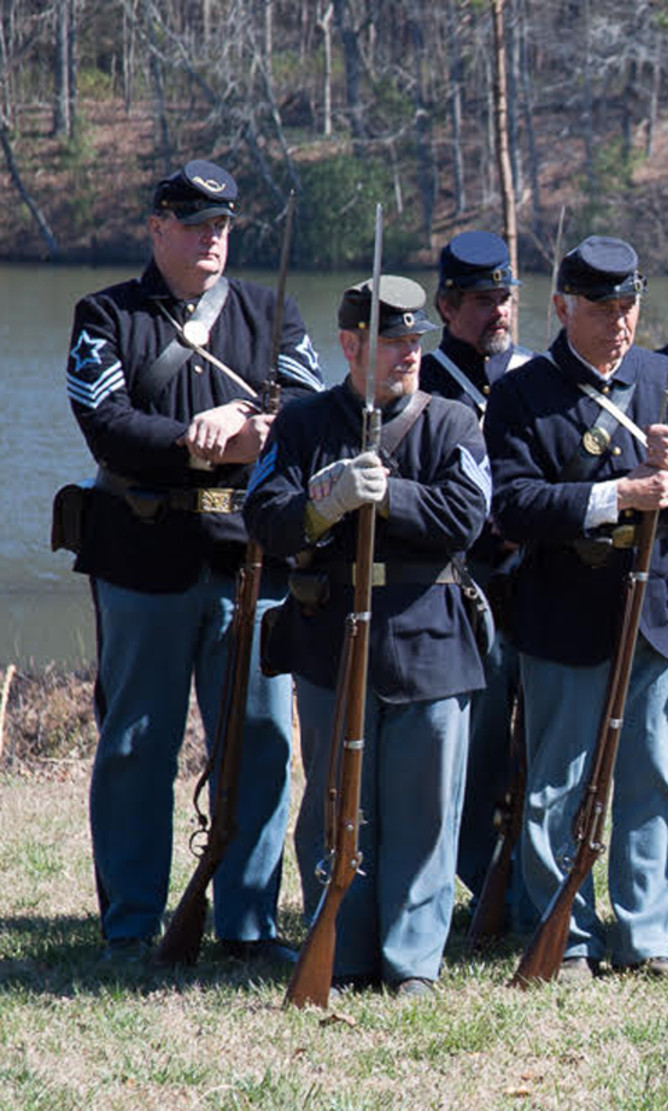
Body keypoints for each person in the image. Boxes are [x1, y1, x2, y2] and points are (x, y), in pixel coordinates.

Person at [63, 159, 323, 964]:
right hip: (142, 555)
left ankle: (248, 923)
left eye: (222, 225)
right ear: (157, 227)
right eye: (195, 222)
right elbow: (105, 423)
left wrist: (250, 426)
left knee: (260, 741)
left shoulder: (268, 311)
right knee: (137, 743)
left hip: (250, 557)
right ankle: (133, 922)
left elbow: (311, 414)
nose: (212, 237)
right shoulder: (104, 314)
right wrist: (190, 437)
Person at [483, 236, 668, 980]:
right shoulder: (525, 392)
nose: (620, 323)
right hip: (563, 612)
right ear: (564, 306)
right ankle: (569, 935)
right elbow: (510, 503)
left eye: (629, 306)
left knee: (657, 778)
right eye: (603, 309)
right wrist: (614, 497)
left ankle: (649, 935)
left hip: (653, 614)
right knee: (557, 783)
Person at [243, 276, 490, 995]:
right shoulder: (304, 423)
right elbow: (266, 514)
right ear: (350, 345)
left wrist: (391, 493)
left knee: (425, 810)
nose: (409, 353)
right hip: (330, 637)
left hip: (429, 639)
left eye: (416, 340)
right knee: (334, 804)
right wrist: (328, 499)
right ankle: (342, 949)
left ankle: (412, 960)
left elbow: (467, 514)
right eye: (393, 341)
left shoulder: (453, 421)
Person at [421, 230, 532, 910]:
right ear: (446, 305)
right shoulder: (423, 381)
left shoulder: (537, 377)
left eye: (506, 297)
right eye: (484, 300)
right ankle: (478, 878)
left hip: (541, 585)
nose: (499, 312)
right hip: (466, 592)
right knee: (477, 745)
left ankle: (529, 886)